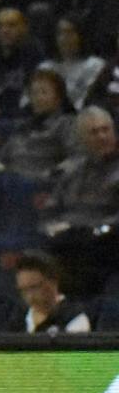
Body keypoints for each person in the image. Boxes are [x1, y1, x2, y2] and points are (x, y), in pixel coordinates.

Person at [40, 107, 119, 294]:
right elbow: (51, 209)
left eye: (105, 130)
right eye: (94, 132)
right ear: (82, 139)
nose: (101, 136)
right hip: (68, 239)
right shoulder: (72, 171)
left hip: (105, 241)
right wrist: (51, 227)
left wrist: (95, 229)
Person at [0, 66, 76, 179]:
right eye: (34, 93)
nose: (37, 98)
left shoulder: (67, 124)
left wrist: (52, 174)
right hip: (11, 183)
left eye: (43, 92)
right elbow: (1, 161)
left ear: (58, 98)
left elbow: (77, 158)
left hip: (43, 185)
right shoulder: (22, 127)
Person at [14, 250, 91, 335]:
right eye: (23, 290)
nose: (30, 297)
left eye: (34, 288)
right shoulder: (18, 319)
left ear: (53, 283)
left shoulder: (75, 319)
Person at [50, 17, 107, 111]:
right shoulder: (46, 67)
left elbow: (89, 101)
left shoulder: (96, 65)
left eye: (70, 33)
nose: (64, 38)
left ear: (81, 35)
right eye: (60, 33)